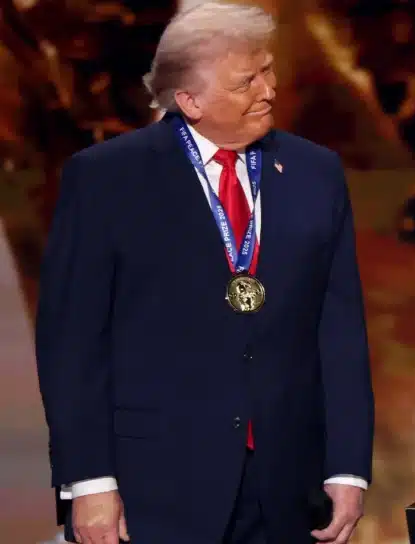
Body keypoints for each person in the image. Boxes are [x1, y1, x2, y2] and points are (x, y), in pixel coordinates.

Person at [34, 2, 374, 543]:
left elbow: (340, 331)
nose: (268, 90)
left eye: (268, 70)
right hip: (153, 488)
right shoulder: (107, 178)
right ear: (189, 100)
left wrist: (347, 468)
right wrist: (90, 481)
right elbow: (73, 343)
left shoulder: (316, 173)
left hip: (287, 489)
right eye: (246, 81)